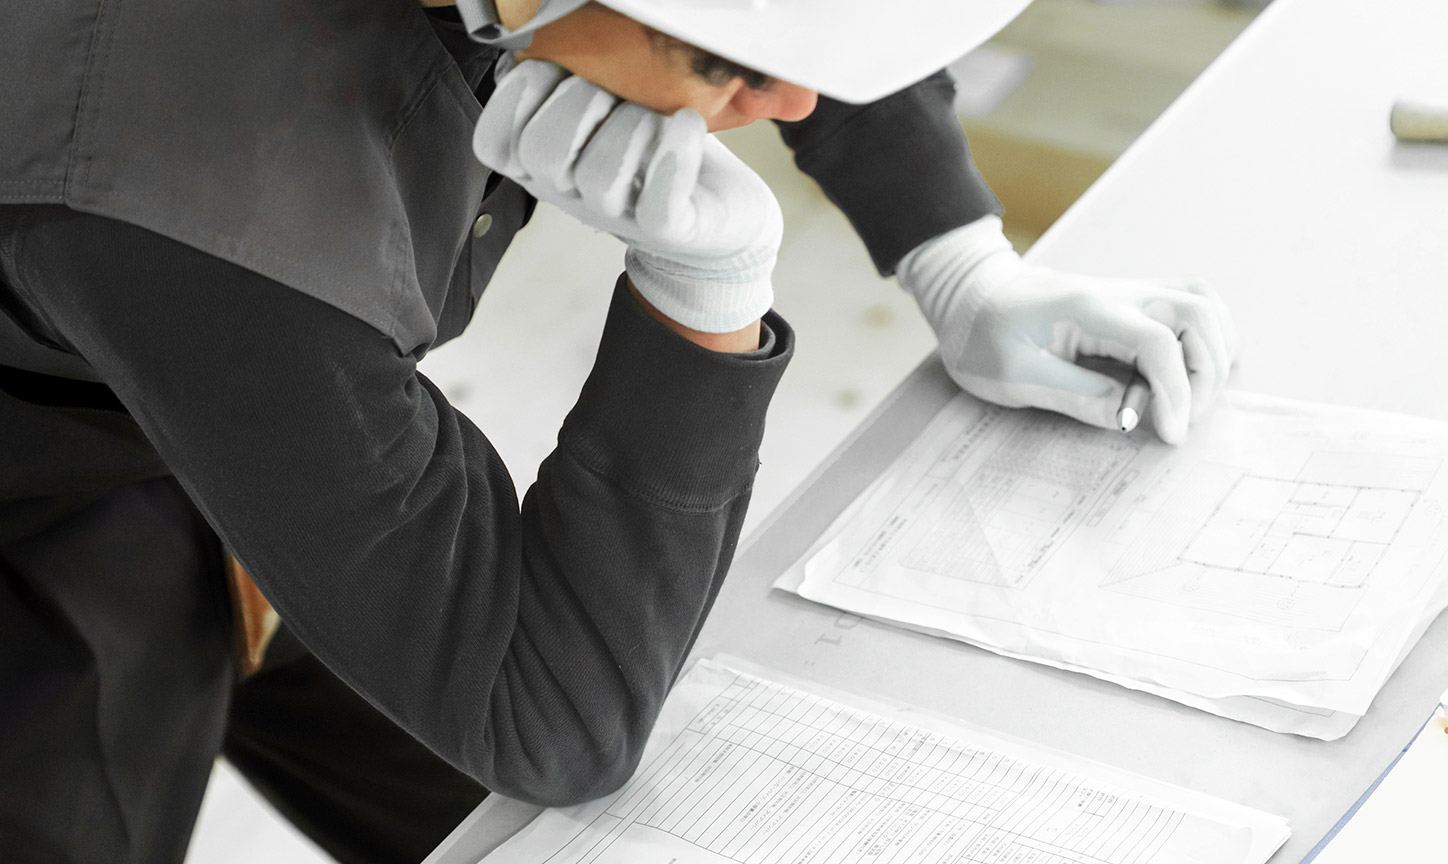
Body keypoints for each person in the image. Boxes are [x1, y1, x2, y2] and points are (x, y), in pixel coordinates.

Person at [0, 1, 1234, 862]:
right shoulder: (196, 178)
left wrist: (960, 259)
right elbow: (549, 722)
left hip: (244, 366)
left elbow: (784, 30)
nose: (791, 104)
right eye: (722, 74)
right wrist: (702, 305)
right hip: (50, 493)